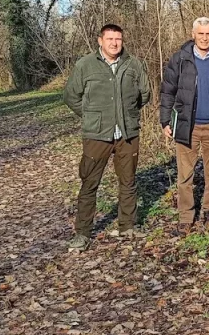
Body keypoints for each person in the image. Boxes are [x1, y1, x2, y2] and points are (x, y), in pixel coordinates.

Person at [63, 23, 151, 251]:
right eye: (110, 39)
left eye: (118, 39)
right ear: (100, 41)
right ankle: (82, 233)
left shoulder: (133, 64)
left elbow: (145, 94)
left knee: (128, 181)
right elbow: (72, 96)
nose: (114, 43)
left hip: (127, 133)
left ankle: (128, 226)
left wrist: (128, 114)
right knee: (89, 183)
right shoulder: (86, 65)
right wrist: (92, 116)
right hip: (96, 135)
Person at [159, 17, 209, 235]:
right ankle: (186, 216)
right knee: (184, 175)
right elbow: (168, 91)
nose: (205, 38)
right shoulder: (180, 59)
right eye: (201, 34)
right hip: (188, 126)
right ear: (193, 34)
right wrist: (165, 121)